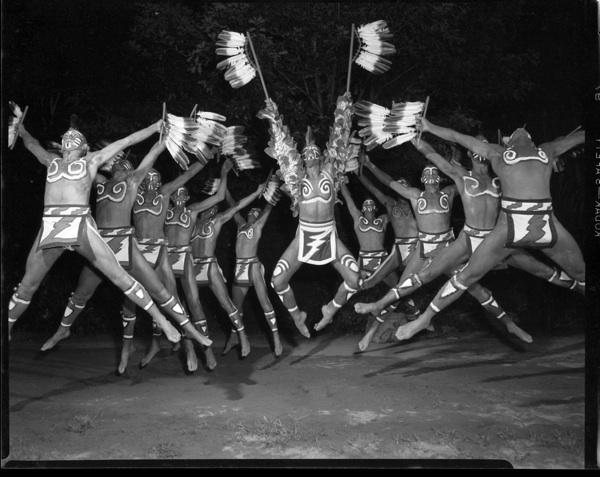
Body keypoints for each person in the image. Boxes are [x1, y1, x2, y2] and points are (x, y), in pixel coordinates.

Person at [394, 119, 585, 341]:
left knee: (576, 274)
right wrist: (428, 127)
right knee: (465, 276)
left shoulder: (543, 150)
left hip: (530, 224)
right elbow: (456, 137)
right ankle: (424, 318)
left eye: (524, 131)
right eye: (516, 131)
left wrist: (429, 128)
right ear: (510, 142)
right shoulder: (506, 152)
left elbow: (580, 137)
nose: (521, 131)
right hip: (520, 226)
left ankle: (424, 317)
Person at [40, 140, 212, 375]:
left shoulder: (140, 186)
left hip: (136, 246)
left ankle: (188, 333)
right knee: (84, 293)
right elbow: (83, 164)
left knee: (163, 292)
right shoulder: (100, 183)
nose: (122, 167)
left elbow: (172, 168)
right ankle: (66, 329)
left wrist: (203, 154)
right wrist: (72, 151)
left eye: (127, 166)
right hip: (100, 246)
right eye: (119, 164)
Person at [8, 117, 180, 345]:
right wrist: (21, 129)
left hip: (79, 224)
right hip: (50, 226)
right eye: (66, 136)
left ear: (83, 147)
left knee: (119, 276)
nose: (70, 136)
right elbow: (31, 144)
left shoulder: (91, 161)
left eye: (75, 137)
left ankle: (163, 321)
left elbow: (127, 140)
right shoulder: (51, 161)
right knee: (27, 286)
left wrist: (155, 127)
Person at [355, 138, 537, 348]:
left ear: (439, 178)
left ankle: (509, 324)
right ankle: (370, 334)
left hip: (448, 249)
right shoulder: (415, 196)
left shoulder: (449, 193)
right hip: (423, 251)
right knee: (401, 289)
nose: (431, 176)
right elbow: (389, 183)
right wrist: (369, 165)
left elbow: (469, 178)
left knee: (478, 290)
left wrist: (465, 156)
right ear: (422, 179)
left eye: (434, 174)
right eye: (427, 174)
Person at [257, 93, 362, 336]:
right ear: (303, 159)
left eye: (315, 151)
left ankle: (330, 309)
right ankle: (297, 315)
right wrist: (273, 115)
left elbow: (338, 140)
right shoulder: (297, 179)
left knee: (355, 280)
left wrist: (344, 109)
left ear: (321, 156)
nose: (311, 154)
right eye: (307, 153)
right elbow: (282, 145)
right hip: (304, 236)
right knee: (278, 281)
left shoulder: (330, 174)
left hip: (328, 237)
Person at [190, 181, 266, 359]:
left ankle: (242, 336)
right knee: (190, 308)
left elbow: (236, 206)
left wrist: (256, 193)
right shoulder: (191, 222)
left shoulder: (216, 221)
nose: (214, 211)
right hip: (193, 267)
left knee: (227, 304)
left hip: (209, 265)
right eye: (212, 208)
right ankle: (198, 352)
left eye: (216, 209)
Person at [225, 190, 282, 357]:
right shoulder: (241, 224)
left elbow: (269, 207)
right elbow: (233, 206)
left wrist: (275, 188)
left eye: (255, 212)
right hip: (240, 267)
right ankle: (234, 337)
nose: (252, 212)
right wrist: (226, 187)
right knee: (236, 307)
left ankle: (276, 337)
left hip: (253, 265)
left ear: (258, 217)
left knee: (265, 302)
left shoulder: (258, 226)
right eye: (250, 210)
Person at [339, 182, 389, 280]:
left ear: (376, 208)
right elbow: (349, 200)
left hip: (382, 258)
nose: (369, 204)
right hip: (364, 260)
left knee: (396, 286)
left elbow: (396, 213)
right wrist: (341, 182)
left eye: (371, 203)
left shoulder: (383, 219)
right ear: (362, 209)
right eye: (366, 203)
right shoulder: (358, 219)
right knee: (353, 286)